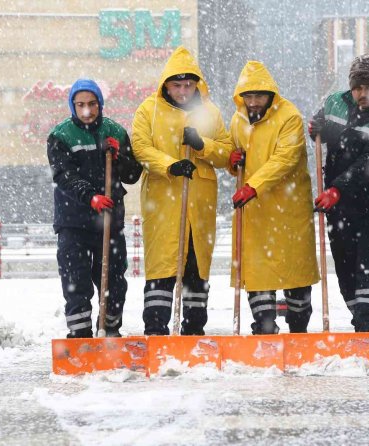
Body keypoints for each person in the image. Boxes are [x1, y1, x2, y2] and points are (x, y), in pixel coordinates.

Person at [308, 55, 369, 360]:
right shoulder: (335, 103)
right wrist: (315, 127)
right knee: (347, 271)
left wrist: (338, 188)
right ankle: (361, 325)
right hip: (341, 208)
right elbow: (321, 125)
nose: (363, 93)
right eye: (357, 87)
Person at [131, 47, 233, 335]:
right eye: (177, 85)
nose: (183, 91)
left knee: (196, 270)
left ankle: (193, 331)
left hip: (199, 204)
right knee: (162, 268)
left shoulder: (210, 112)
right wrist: (170, 165)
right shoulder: (148, 110)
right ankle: (156, 330)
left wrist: (202, 145)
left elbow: (226, 154)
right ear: (166, 84)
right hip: (163, 204)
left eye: (189, 84)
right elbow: (140, 147)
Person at [229, 60, 319, 335]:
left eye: (259, 96)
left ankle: (298, 330)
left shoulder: (289, 117)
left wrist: (253, 186)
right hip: (254, 214)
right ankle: (264, 329)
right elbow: (236, 159)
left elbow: (285, 159)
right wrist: (231, 162)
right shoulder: (237, 121)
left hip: (288, 212)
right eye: (248, 96)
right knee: (257, 276)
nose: (253, 102)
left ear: (271, 95)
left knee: (296, 274)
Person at [47, 78, 143, 338]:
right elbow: (63, 175)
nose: (86, 111)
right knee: (75, 280)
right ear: (72, 106)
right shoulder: (60, 135)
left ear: (100, 104)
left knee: (113, 280)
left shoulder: (115, 132)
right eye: (80, 105)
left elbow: (133, 174)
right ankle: (80, 337)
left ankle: (110, 331)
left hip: (110, 221)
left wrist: (119, 154)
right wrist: (90, 197)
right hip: (73, 221)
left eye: (91, 104)